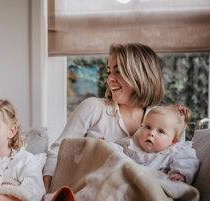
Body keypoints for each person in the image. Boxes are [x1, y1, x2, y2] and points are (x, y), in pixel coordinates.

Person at [43, 43, 165, 191]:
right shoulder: (93, 108)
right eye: (109, 72)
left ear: (140, 75)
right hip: (87, 195)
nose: (110, 79)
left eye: (118, 72)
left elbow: (173, 163)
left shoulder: (164, 122)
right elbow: (58, 154)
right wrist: (44, 196)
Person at [110, 104, 199, 184]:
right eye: (148, 127)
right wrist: (106, 144)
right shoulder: (132, 145)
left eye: (160, 131)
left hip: (155, 185)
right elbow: (116, 151)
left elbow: (188, 161)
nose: (151, 133)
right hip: (131, 182)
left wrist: (180, 174)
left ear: (173, 141)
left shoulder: (175, 151)